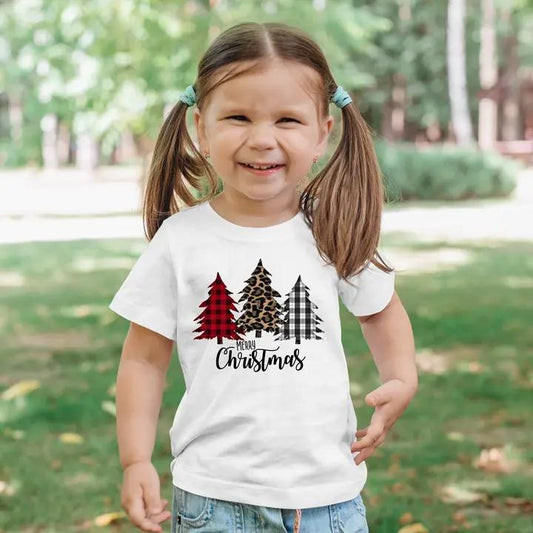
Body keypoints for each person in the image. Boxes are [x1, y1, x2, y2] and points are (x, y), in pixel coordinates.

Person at [109, 21, 417, 533]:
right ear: (201, 128)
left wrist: (402, 376)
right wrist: (135, 460)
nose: (262, 139)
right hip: (213, 499)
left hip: (327, 500)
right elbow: (142, 360)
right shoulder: (180, 241)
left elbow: (381, 309)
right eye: (238, 116)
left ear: (323, 132)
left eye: (287, 120)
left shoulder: (333, 231)